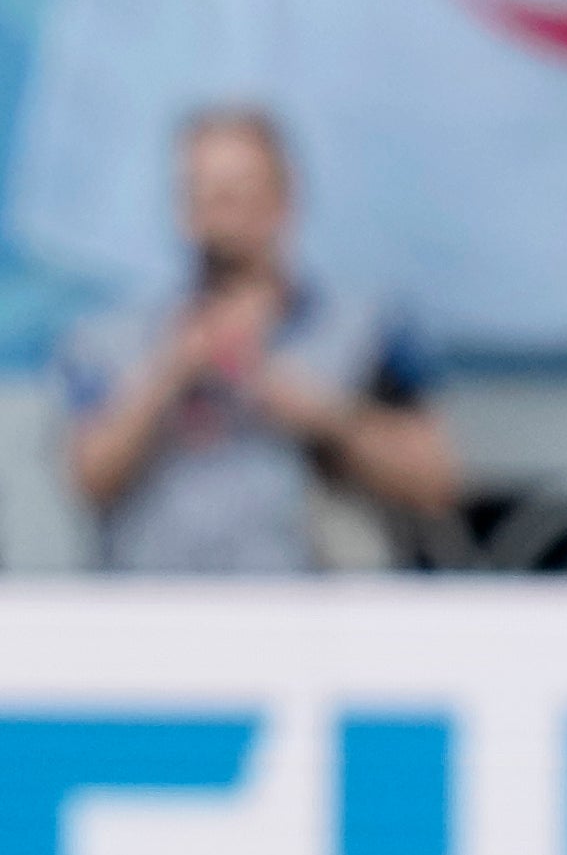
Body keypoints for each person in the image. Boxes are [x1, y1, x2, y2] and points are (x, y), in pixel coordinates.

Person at [59, 106, 459, 573]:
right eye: (202, 195)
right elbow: (87, 479)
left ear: (284, 199)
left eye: (237, 195)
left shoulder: (361, 331)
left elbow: (435, 479)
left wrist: (317, 415)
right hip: (156, 602)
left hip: (306, 602)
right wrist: (169, 374)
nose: (219, 217)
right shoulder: (114, 339)